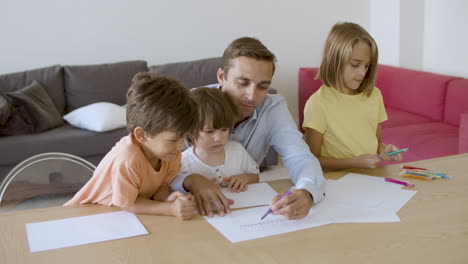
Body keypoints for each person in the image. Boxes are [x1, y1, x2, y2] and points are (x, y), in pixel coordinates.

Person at [172, 37, 326, 220]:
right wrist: (190, 181)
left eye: (263, 86)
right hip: (194, 211)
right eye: (243, 83)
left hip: (245, 209)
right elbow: (154, 165)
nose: (252, 96)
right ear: (221, 77)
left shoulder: (272, 107)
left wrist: (307, 192)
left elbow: (299, 156)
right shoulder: (191, 104)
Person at [64, 73, 198, 220]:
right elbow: (128, 204)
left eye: (184, 137)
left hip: (123, 217)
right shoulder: (127, 159)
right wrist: (168, 209)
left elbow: (161, 186)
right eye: (173, 140)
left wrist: (167, 199)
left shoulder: (169, 154)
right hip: (85, 215)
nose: (181, 146)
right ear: (141, 135)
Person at [302, 22, 403, 171]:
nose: (362, 72)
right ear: (334, 60)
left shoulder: (374, 95)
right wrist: (354, 163)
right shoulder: (318, 103)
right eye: (355, 64)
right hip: (337, 180)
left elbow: (377, 144)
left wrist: (384, 150)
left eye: (367, 66)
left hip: (370, 177)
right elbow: (312, 160)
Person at [179, 87, 259, 193]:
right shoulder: (183, 162)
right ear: (190, 131)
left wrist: (245, 178)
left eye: (224, 129)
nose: (219, 138)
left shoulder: (237, 150)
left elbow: (255, 175)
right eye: (210, 131)